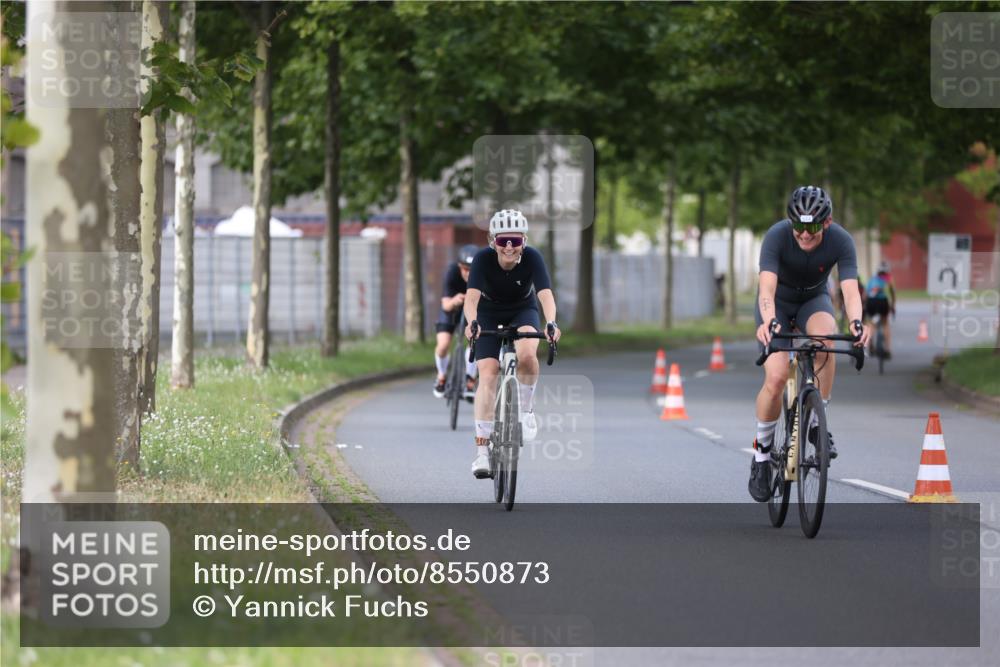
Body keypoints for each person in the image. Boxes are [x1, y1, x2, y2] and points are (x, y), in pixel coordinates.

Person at [749, 186, 870, 502]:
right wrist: (769, 321)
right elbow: (766, 288)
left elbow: (850, 291)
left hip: (814, 300)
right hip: (778, 303)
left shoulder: (841, 240)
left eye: (812, 227)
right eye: (798, 226)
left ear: (826, 223)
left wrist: (857, 323)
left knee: (826, 341)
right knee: (775, 378)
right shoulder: (777, 236)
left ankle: (817, 421)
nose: (804, 234)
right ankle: (761, 457)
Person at [463, 209, 560, 479]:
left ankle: (526, 411)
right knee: (488, 374)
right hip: (488, 312)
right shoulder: (482, 260)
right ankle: (482, 453)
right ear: (492, 240)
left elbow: (545, 295)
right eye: (503, 239)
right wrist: (473, 324)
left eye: (515, 241)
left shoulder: (533, 257)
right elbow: (471, 301)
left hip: (522, 309)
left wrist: (550, 322)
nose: (509, 246)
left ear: (524, 241)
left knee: (528, 354)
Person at [432, 244, 480, 398]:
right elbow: (445, 304)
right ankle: (441, 376)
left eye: (472, 270)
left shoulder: (483, 276)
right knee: (443, 345)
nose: (468, 273)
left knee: (475, 341)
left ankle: (470, 379)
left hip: (472, 311)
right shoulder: (451, 272)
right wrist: (455, 300)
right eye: (465, 269)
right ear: (459, 266)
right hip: (452, 308)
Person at [865, 261, 897, 358]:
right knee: (885, 323)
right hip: (883, 302)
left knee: (871, 324)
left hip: (871, 302)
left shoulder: (872, 279)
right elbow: (892, 293)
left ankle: (870, 346)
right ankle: (887, 349)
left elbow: (866, 294)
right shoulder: (888, 278)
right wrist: (893, 305)